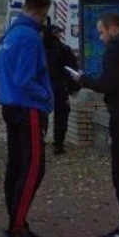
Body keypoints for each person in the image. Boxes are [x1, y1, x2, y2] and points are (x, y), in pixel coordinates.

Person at [0, 0, 54, 237]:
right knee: (32, 168)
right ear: (42, 11)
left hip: (10, 106)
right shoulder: (30, 37)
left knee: (17, 166)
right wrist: (46, 97)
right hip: (28, 108)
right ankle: (16, 230)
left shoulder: (10, 34)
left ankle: (17, 223)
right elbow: (25, 78)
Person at [78, 12, 119, 237]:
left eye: (101, 32)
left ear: (112, 29)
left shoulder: (116, 50)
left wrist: (83, 79)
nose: (100, 37)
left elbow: (107, 83)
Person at [43, 24, 79, 155]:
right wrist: (74, 88)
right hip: (59, 87)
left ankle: (40, 140)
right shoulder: (63, 49)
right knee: (61, 116)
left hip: (42, 87)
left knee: (41, 115)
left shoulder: (38, 49)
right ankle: (58, 144)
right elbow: (71, 70)